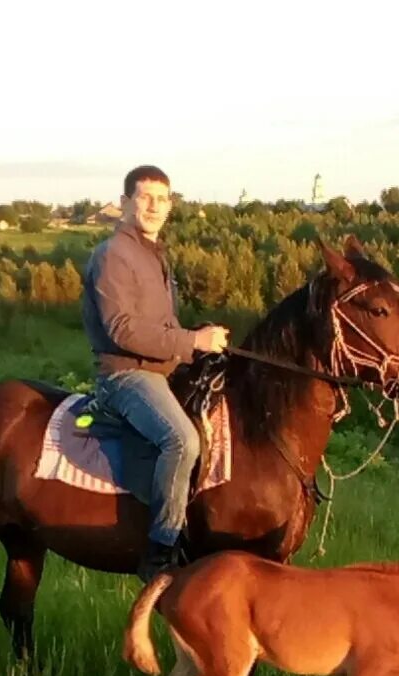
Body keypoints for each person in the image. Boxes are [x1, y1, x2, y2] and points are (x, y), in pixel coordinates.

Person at [81, 164, 229, 582]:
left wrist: (195, 339)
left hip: (161, 370)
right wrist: (192, 343)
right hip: (126, 375)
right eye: (145, 197)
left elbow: (161, 328)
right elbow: (122, 329)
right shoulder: (113, 255)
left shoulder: (154, 254)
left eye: (162, 199)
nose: (154, 206)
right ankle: (161, 551)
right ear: (125, 202)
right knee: (181, 440)